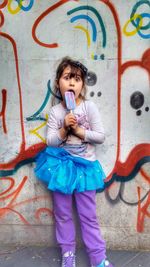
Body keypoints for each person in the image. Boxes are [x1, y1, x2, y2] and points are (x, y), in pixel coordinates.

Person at [34, 57, 114, 267]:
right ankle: (68, 253)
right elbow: (51, 141)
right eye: (67, 77)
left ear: (82, 85)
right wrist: (63, 129)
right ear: (58, 82)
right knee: (62, 213)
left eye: (77, 79)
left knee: (88, 216)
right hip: (61, 168)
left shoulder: (89, 107)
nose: (71, 83)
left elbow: (100, 136)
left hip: (85, 168)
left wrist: (78, 130)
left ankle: (98, 257)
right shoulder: (56, 112)